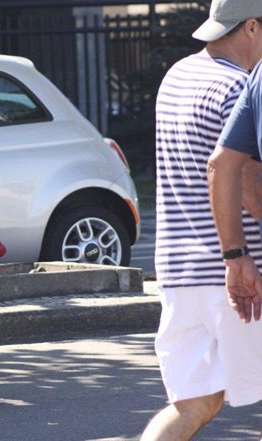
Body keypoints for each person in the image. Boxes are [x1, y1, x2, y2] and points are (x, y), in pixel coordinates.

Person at [142, 1, 262, 439]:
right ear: (251, 27)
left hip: (179, 269)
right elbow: (248, 186)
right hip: (239, 270)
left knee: (194, 405)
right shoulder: (240, 87)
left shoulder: (178, 75)